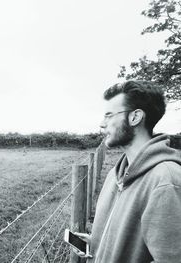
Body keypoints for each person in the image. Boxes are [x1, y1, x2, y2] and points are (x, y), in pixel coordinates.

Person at [75, 80, 181, 262]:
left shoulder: (165, 181)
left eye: (109, 115)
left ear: (135, 117)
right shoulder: (115, 175)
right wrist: (98, 244)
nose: (102, 124)